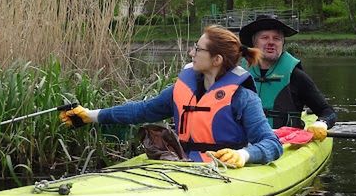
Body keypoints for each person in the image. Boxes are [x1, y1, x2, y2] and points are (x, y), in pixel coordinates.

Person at [59, 26, 282, 167]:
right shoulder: (181, 90)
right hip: (183, 164)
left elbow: (272, 144)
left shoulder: (243, 98)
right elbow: (142, 110)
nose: (191, 53)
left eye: (198, 49)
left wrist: (244, 155)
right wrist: (90, 115)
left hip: (223, 169)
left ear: (217, 60)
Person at [238, 14, 336, 140]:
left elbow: (327, 111)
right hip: (245, 141)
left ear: (282, 43)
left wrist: (321, 123)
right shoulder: (239, 75)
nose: (271, 42)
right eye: (265, 38)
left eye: (277, 38)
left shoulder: (296, 76)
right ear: (254, 42)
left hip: (285, 143)